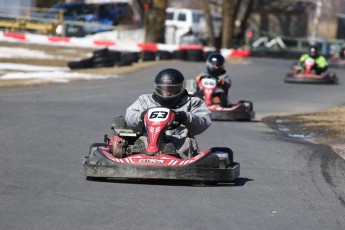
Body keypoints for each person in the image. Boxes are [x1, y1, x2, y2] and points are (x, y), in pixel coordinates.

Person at [125, 68, 212, 159]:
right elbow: (129, 117)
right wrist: (142, 116)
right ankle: (142, 156)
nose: (167, 93)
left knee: (187, 143)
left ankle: (174, 158)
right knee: (142, 140)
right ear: (157, 88)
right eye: (164, 89)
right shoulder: (145, 101)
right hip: (149, 139)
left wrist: (186, 117)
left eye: (172, 90)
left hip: (179, 141)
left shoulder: (192, 102)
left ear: (180, 88)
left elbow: (204, 120)